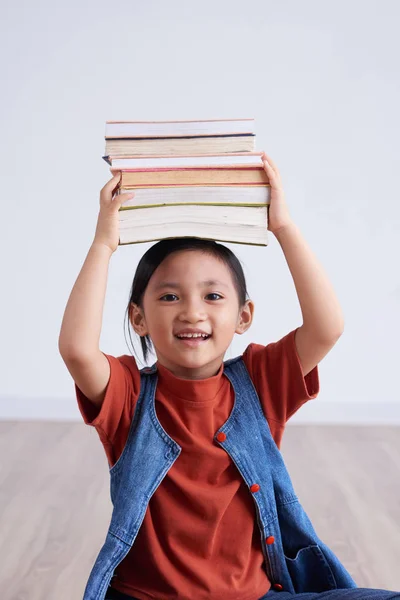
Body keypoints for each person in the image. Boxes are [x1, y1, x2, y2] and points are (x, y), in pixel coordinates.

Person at [58, 154, 399, 600]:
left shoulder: (259, 383)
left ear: (243, 316)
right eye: (169, 296)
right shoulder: (128, 395)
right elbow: (77, 350)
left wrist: (284, 227)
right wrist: (103, 243)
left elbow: (327, 326)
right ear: (138, 318)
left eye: (213, 295)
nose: (192, 310)